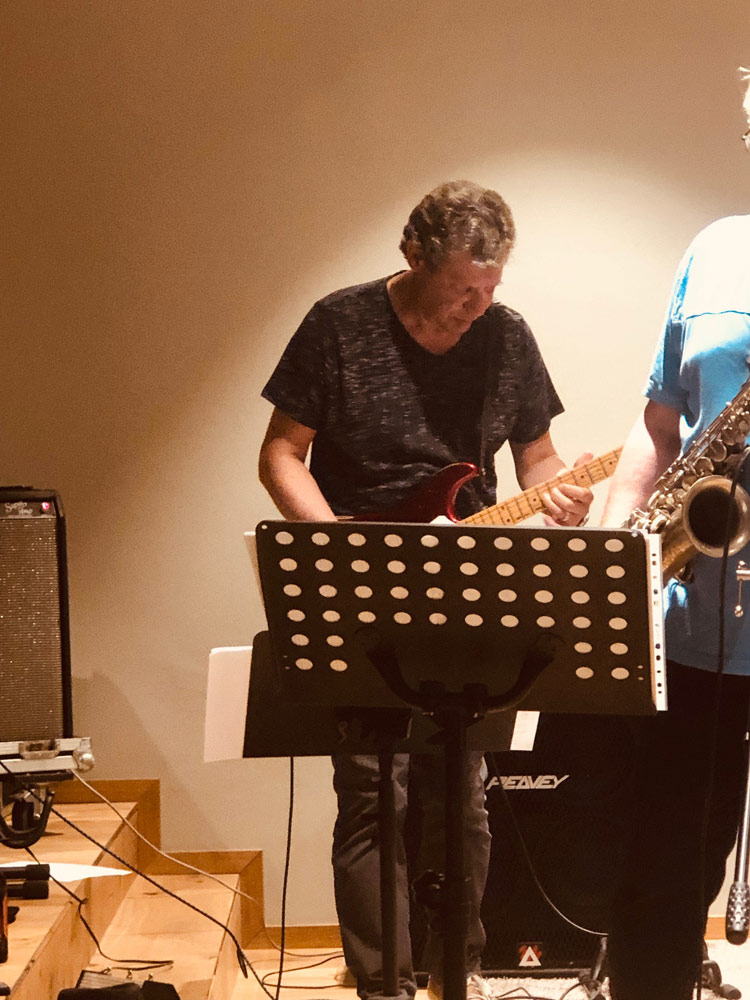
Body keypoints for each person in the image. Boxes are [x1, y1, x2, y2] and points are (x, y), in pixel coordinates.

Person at [258, 179, 594, 1000]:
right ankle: (383, 984)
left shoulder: (507, 337)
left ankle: (457, 973)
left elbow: (539, 458)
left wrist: (560, 497)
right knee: (372, 792)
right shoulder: (338, 324)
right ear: (413, 257)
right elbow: (280, 456)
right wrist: (333, 548)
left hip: (469, 586)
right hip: (362, 586)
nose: (478, 307)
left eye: (490, 288)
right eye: (461, 290)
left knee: (462, 798)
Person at [601, 76, 750, 1000]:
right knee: (666, 863)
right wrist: (613, 547)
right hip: (699, 620)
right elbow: (660, 424)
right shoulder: (715, 249)